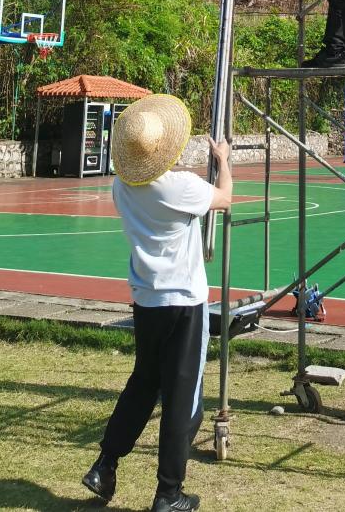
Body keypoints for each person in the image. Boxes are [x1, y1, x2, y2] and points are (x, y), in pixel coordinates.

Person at [82, 94, 232, 512]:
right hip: (184, 301)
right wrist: (224, 162)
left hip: (146, 299)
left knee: (143, 384)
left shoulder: (121, 186)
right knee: (181, 396)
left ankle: (105, 464)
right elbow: (224, 198)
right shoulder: (179, 187)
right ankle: (169, 492)